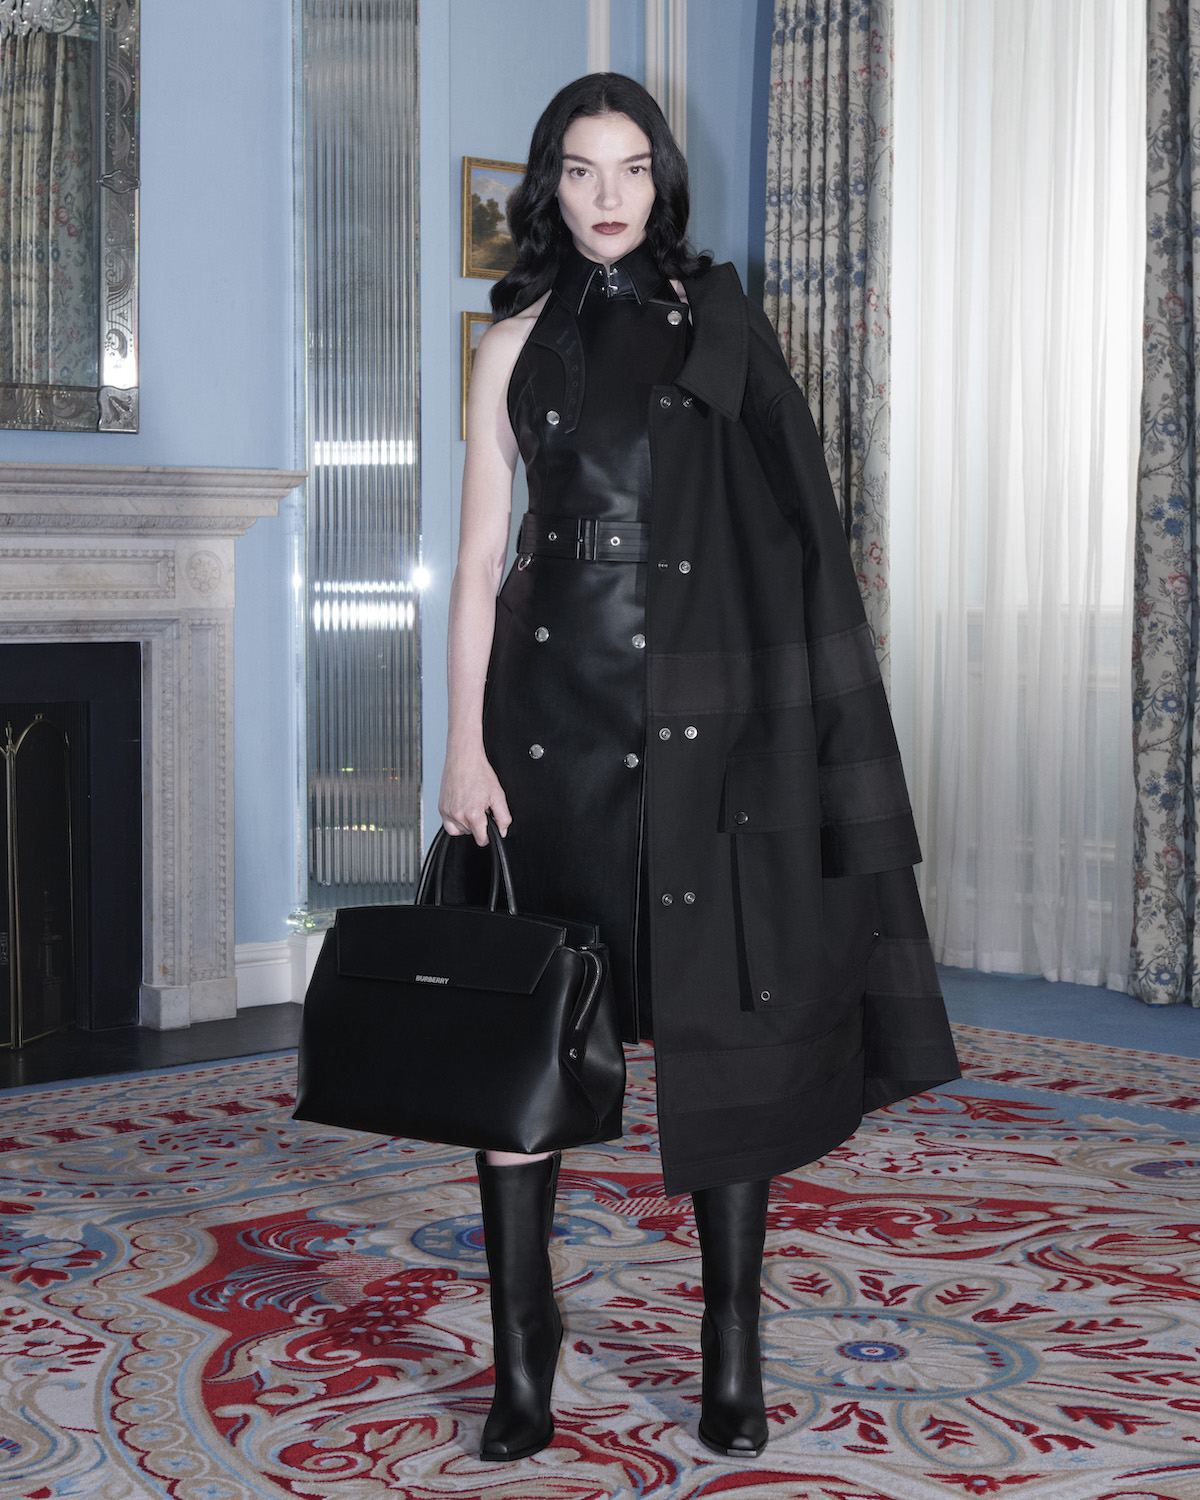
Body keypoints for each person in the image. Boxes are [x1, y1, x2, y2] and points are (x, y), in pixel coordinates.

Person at [438, 72, 960, 1464]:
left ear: (661, 181)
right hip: (547, 730)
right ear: (548, 186)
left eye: (630, 169)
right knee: (522, 1039)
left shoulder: (717, 323)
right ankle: (525, 1356)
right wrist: (461, 745)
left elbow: (794, 533)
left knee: (725, 1032)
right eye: (580, 170)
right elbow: (480, 561)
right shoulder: (510, 344)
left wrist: (790, 735)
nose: (606, 196)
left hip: (705, 734)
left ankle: (730, 1348)